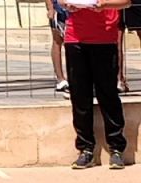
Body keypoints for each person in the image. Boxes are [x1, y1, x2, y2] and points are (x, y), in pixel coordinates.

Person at [59, 0, 130, 169]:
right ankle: (85, 149)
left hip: (104, 39)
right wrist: (66, 5)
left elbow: (126, 2)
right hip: (75, 39)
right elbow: (62, 1)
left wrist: (104, 4)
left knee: (108, 95)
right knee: (80, 96)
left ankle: (116, 149)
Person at [45, 0, 70, 95]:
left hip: (76, 8)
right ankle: (60, 78)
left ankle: (75, 76)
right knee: (57, 40)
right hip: (59, 8)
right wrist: (50, 8)